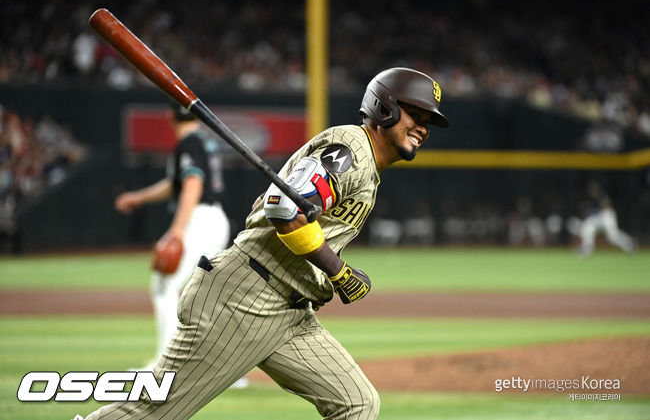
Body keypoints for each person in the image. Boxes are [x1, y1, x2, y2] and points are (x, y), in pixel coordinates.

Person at [82, 67, 449, 420]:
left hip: (290, 310)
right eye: (414, 114)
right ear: (384, 109)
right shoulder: (351, 149)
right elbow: (284, 209)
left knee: (357, 404)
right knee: (153, 413)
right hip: (244, 299)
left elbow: (277, 203)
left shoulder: (365, 164)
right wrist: (339, 272)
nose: (422, 128)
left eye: (428, 121)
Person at [114, 104, 241, 387]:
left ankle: (164, 368)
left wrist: (177, 230)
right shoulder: (203, 142)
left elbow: (193, 184)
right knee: (208, 296)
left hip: (200, 218)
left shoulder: (189, 143)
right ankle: (230, 371)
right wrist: (139, 197)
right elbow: (177, 184)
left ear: (170, 116)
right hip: (214, 219)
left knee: (164, 285)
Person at [578, 180, 635, 256]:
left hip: (607, 216)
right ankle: (586, 249)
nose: (591, 189)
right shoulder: (593, 197)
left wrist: (596, 211)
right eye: (590, 188)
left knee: (613, 237)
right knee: (587, 227)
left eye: (592, 187)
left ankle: (629, 243)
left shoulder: (600, 194)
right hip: (599, 217)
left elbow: (607, 204)